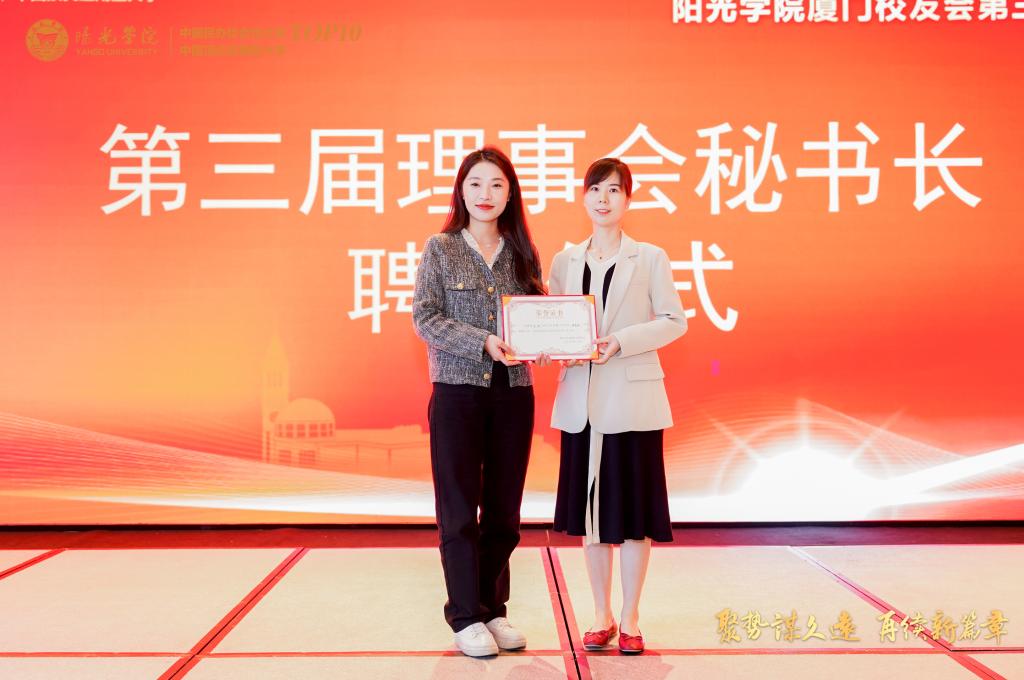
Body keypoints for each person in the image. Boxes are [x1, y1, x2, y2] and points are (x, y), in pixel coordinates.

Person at [545, 157, 687, 654]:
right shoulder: (565, 261)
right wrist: (550, 347)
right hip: (581, 404)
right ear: (583, 196)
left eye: (613, 190)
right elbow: (554, 323)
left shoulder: (649, 257)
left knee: (634, 515)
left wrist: (622, 341)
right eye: (595, 190)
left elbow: (674, 320)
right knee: (589, 516)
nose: (603, 199)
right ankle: (601, 614)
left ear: (628, 198)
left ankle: (630, 617)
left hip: (633, 402)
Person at [411, 146, 546, 658]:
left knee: (504, 514)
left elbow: (538, 317)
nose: (485, 194)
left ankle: (493, 609)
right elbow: (425, 318)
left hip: (514, 394)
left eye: (496, 185)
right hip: (457, 393)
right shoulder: (441, 248)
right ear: (461, 191)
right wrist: (481, 342)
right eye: (475, 184)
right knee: (459, 510)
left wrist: (549, 342)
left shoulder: (522, 252)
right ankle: (466, 615)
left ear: (510, 194)